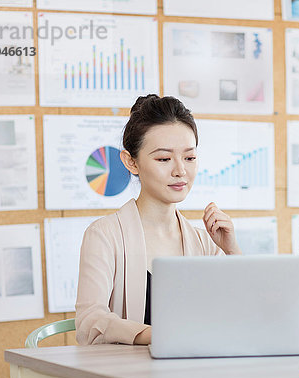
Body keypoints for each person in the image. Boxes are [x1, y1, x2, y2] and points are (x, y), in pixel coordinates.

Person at [75, 95, 241, 345]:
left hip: (194, 373)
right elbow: (89, 322)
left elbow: (241, 315)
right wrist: (156, 336)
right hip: (128, 377)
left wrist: (232, 250)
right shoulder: (104, 235)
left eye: (189, 158)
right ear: (131, 162)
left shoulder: (204, 241)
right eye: (164, 159)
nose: (180, 171)